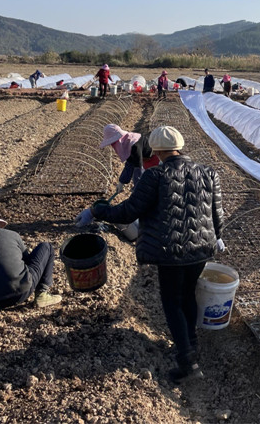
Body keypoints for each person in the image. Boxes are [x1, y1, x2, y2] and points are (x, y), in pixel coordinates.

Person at [76, 126, 225, 383]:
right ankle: (190, 347)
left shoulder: (156, 175)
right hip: (201, 250)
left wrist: (99, 211)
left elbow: (128, 212)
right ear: (180, 146)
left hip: (170, 251)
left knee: (172, 302)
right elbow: (217, 214)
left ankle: (188, 363)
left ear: (155, 150)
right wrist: (216, 237)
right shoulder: (208, 172)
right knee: (188, 295)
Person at [99, 124, 159, 190]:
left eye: (114, 143)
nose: (113, 145)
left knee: (153, 181)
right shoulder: (126, 143)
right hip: (143, 160)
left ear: (119, 139)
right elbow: (129, 163)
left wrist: (138, 188)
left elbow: (138, 169)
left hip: (154, 158)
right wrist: (122, 182)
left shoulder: (134, 145)